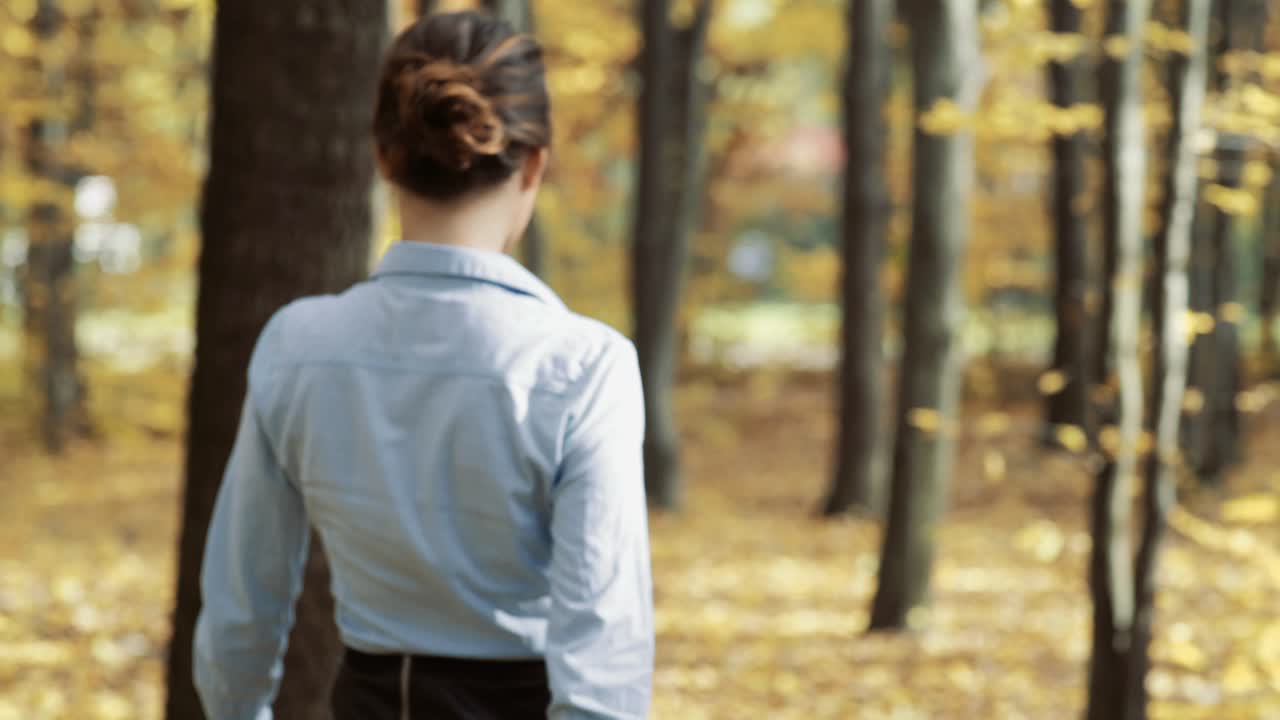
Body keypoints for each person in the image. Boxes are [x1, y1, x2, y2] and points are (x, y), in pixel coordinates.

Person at [192, 11, 653, 720]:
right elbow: (605, 660)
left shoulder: (298, 345)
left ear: (383, 157)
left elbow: (239, 617)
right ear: (534, 163)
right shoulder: (583, 366)